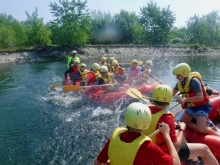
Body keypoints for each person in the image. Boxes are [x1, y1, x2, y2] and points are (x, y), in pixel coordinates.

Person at [144, 84, 219, 165]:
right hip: (164, 153)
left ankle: (194, 160)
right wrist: (182, 129)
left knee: (177, 131)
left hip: (149, 148)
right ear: (169, 99)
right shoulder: (167, 118)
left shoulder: (146, 110)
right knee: (204, 149)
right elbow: (176, 148)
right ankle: (194, 160)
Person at [94, 102, 181, 165]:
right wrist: (166, 135)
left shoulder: (115, 136)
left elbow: (97, 162)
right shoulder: (147, 146)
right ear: (147, 121)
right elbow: (176, 163)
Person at [172, 63, 218, 136]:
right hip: (191, 107)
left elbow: (200, 97)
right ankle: (197, 131)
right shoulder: (180, 83)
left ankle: (217, 136)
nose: (176, 78)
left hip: (203, 106)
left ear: (184, 73)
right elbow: (172, 93)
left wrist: (184, 100)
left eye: (178, 75)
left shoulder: (194, 81)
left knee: (201, 128)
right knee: (182, 123)